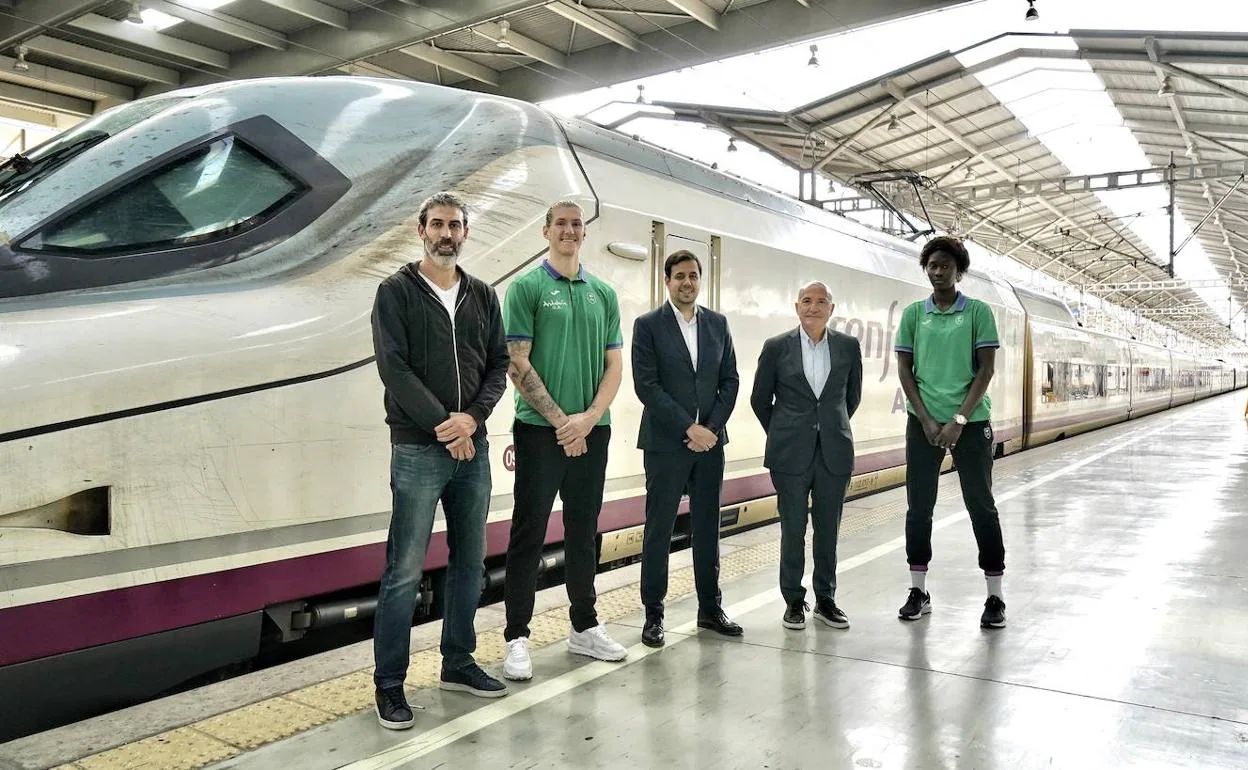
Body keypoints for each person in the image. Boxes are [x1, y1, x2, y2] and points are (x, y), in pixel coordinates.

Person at [369, 192, 510, 731]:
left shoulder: (482, 295)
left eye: (455, 224)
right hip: (417, 448)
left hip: (470, 447)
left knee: (469, 561)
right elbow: (394, 368)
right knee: (403, 570)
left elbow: (498, 365)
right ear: (420, 230)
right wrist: (442, 426)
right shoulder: (395, 292)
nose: (446, 232)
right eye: (437, 224)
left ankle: (457, 662)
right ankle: (389, 684)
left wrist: (471, 420)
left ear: (466, 232)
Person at [500, 200, 627, 681]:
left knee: (583, 530)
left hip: (593, 431)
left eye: (577, 224)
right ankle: (517, 636)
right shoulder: (526, 288)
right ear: (545, 231)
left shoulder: (603, 294)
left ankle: (584, 626)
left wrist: (589, 419)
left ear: (584, 234)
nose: (570, 231)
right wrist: (562, 423)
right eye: (561, 224)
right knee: (528, 533)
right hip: (538, 431)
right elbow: (517, 362)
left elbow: (614, 364)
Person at [893, 235, 1006, 629]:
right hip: (921, 423)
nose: (937, 272)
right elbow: (905, 372)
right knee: (918, 507)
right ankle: (918, 590)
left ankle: (995, 596)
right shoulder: (912, 315)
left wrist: (958, 420)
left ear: (959, 270)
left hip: (971, 425)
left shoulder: (977, 312)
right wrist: (925, 419)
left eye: (945, 265)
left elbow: (985, 370)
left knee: (981, 506)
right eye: (932, 265)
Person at [632, 249, 742, 648]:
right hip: (665, 443)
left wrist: (710, 429)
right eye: (679, 276)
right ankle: (653, 615)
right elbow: (647, 386)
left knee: (707, 528)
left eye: (693, 276)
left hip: (711, 444)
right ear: (667, 280)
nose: (687, 282)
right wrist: (688, 427)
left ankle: (710, 608)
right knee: (658, 528)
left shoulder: (718, 324)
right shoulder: (648, 326)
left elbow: (730, 381)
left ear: (701, 279)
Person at [750, 281, 862, 631]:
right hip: (789, 456)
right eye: (806, 301)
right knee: (792, 528)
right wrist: (785, 431)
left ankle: (826, 599)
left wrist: (828, 426)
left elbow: (851, 398)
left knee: (828, 529)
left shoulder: (847, 346)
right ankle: (794, 601)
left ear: (832, 307)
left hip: (834, 452)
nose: (813, 307)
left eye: (821, 301)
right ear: (796, 307)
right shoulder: (776, 347)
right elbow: (759, 399)